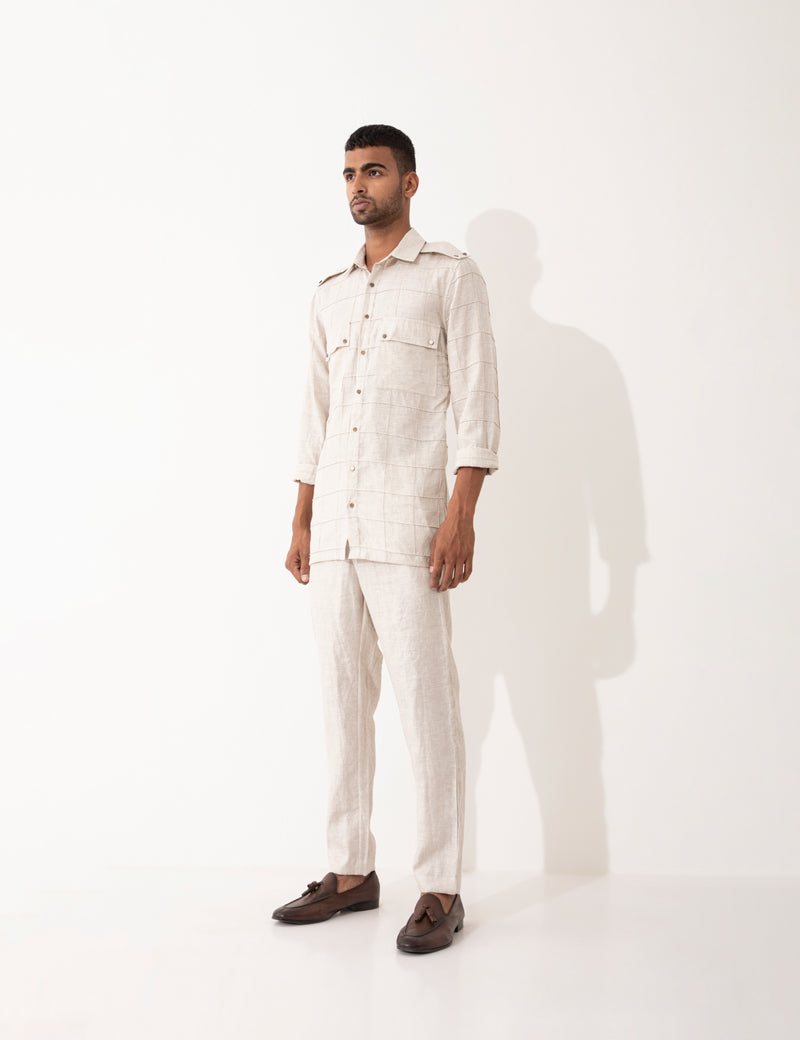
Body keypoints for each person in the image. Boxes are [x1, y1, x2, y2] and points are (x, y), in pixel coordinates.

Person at [272, 124, 500, 953]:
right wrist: (302, 517)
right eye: (348, 175)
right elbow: (317, 415)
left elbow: (477, 399)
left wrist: (461, 512)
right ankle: (350, 871)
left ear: (409, 182)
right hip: (334, 524)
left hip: (409, 522)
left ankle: (440, 884)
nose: (357, 186)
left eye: (373, 172)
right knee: (342, 699)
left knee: (426, 701)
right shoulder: (329, 293)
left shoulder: (451, 276)